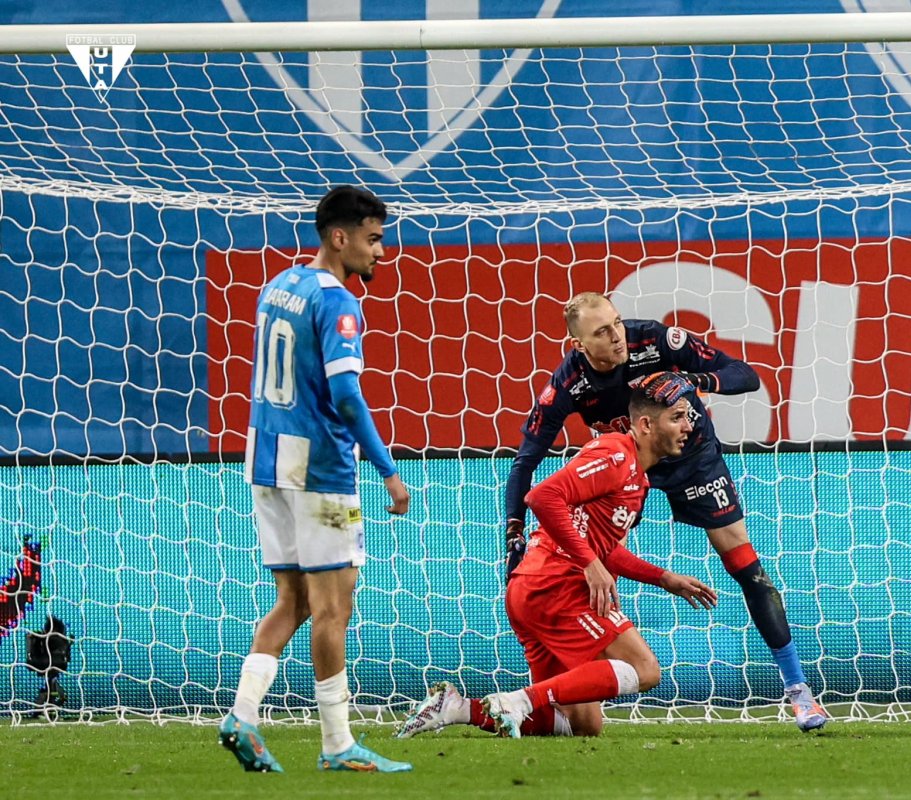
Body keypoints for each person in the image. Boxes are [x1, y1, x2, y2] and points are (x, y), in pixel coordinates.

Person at [503, 292, 828, 731]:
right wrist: (514, 534)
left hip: (693, 460)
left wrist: (698, 384)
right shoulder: (566, 385)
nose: (617, 336)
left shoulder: (656, 341)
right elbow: (527, 461)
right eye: (602, 331)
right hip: (628, 463)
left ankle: (798, 691)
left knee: (746, 567)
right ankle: (556, 691)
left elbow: (744, 374)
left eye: (617, 323)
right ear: (579, 345)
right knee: (585, 552)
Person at [396, 373, 718, 739]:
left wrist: (663, 578)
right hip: (556, 586)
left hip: (531, 591)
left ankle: (457, 708)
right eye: (677, 417)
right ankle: (516, 701)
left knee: (583, 723)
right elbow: (542, 496)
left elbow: (604, 549)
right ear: (645, 424)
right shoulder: (615, 454)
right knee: (644, 669)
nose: (688, 426)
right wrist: (589, 564)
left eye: (688, 417)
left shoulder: (637, 478)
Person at [218, 186, 412, 773]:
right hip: (324, 473)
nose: (382, 252)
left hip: (267, 462)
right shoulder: (338, 304)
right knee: (336, 603)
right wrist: (389, 472)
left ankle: (243, 716)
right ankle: (336, 743)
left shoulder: (278, 286)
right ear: (340, 236)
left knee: (294, 600)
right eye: (374, 239)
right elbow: (347, 396)